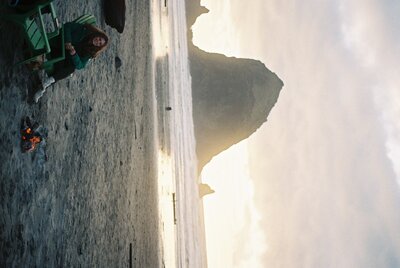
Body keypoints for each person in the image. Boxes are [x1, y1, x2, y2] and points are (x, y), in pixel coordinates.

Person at [34, 21, 109, 102]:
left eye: (99, 43)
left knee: (71, 69)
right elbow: (67, 26)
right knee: (62, 71)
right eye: (99, 39)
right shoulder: (84, 29)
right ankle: (44, 86)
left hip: (64, 57)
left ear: (98, 46)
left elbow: (81, 65)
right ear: (98, 35)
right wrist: (68, 41)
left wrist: (74, 54)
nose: (98, 41)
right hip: (58, 46)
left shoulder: (90, 52)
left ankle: (46, 84)